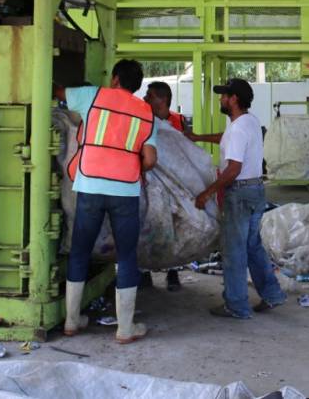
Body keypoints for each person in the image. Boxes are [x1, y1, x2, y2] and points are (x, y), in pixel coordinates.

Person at [54, 59, 155, 344]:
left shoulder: (95, 96)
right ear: (137, 86)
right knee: (126, 256)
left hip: (90, 185)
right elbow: (150, 159)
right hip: (125, 191)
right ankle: (125, 328)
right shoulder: (145, 112)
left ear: (115, 79)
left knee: (79, 250)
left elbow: (61, 94)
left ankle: (72, 322)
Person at [187, 78, 286, 318]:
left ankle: (236, 305)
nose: (221, 99)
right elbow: (227, 137)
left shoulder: (239, 127)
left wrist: (206, 193)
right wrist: (199, 137)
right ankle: (272, 295)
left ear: (234, 99)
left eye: (224, 95)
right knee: (253, 247)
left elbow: (233, 169)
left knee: (234, 251)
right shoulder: (248, 121)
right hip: (255, 191)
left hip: (239, 194)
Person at [140, 80, 186, 292]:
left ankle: (172, 272)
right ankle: (144, 272)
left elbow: (187, 153)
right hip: (148, 182)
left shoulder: (178, 121)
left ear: (163, 99)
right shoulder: (143, 119)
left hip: (173, 186)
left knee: (173, 229)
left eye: (150, 96)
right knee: (146, 226)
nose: (145, 99)